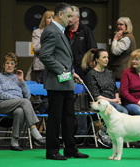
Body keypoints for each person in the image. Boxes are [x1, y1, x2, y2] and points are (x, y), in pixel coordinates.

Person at [39, 3, 89, 160]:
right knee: (55, 118)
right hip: (56, 81)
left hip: (65, 81)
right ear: (60, 14)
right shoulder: (51, 31)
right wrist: (62, 70)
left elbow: (63, 57)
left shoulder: (60, 31)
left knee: (68, 116)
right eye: (68, 16)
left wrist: (71, 72)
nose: (71, 20)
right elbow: (45, 56)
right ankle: (52, 151)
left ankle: (70, 148)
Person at [0, 52, 46, 151]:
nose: (9, 65)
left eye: (12, 63)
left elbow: (28, 96)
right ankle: (35, 131)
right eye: (7, 63)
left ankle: (14, 142)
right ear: (3, 64)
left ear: (15, 66)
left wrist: (22, 81)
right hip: (1, 105)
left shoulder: (18, 78)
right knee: (24, 102)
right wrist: (15, 99)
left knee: (20, 111)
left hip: (18, 105)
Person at [64, 6, 97, 142]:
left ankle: (83, 134)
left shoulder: (86, 31)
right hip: (66, 71)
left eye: (71, 16)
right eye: (67, 16)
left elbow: (93, 52)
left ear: (78, 18)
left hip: (82, 72)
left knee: (82, 103)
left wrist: (86, 67)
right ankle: (67, 135)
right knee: (68, 101)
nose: (69, 19)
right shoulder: (63, 31)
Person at [86, 49, 128, 148]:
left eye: (107, 57)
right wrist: (114, 101)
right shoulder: (91, 74)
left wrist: (117, 99)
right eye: (104, 57)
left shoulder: (109, 72)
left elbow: (115, 89)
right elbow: (96, 95)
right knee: (123, 111)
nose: (107, 59)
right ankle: (103, 132)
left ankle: (111, 133)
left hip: (113, 102)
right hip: (100, 103)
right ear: (97, 59)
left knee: (124, 110)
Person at [25, 11, 54, 84]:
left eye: (53, 18)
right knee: (41, 92)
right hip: (40, 67)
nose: (51, 20)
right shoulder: (37, 32)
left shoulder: (58, 33)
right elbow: (36, 48)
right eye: (49, 17)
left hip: (53, 67)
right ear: (45, 20)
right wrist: (48, 43)